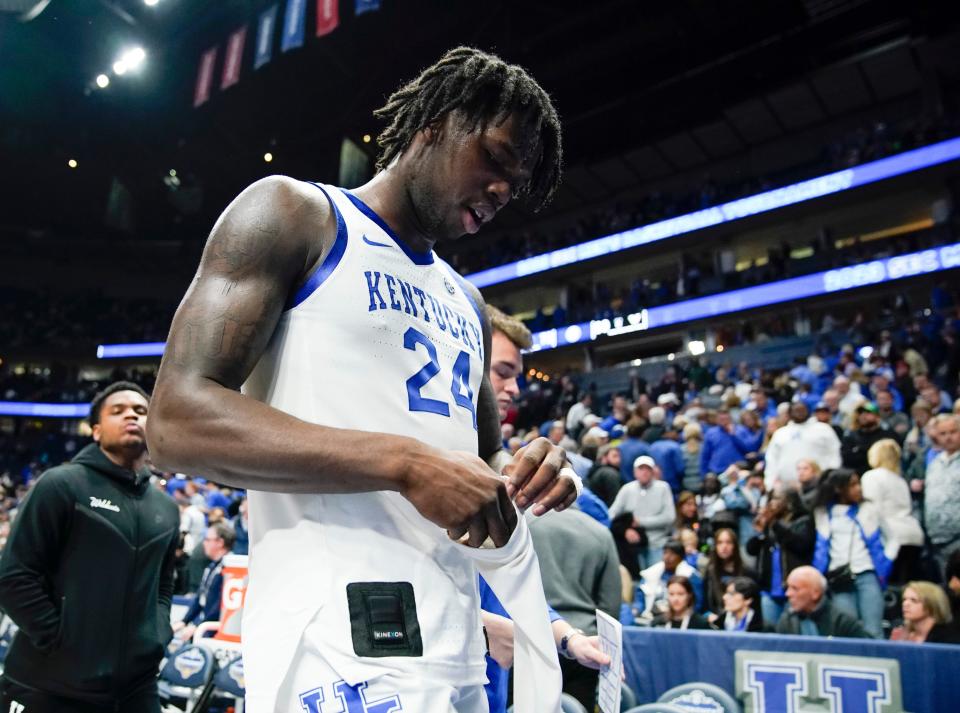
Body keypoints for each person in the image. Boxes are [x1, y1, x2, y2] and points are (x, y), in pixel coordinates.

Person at [147, 47, 575, 713]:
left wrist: (529, 469)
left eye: (516, 184)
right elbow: (174, 420)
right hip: (329, 649)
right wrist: (402, 461)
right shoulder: (296, 215)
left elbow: (482, 460)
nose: (502, 190)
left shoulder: (466, 300)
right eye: (495, 158)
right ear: (436, 120)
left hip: (452, 647)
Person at [0, 382, 180, 713]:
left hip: (135, 688)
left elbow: (164, 585)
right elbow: (14, 574)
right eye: (118, 410)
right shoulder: (61, 484)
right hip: (49, 683)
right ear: (96, 431)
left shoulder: (166, 509)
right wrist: (61, 640)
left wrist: (157, 634)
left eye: (141, 411)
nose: (131, 415)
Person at [481, 305, 611, 712]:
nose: (515, 388)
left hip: (489, 695)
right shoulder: (422, 460)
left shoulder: (492, 464)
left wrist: (570, 639)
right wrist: (477, 629)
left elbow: (504, 590)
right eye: (503, 372)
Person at [811, 468, 897, 639]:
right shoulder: (822, 512)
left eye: (859, 484)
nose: (858, 489)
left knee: (873, 629)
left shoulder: (869, 509)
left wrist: (886, 561)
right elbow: (821, 547)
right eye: (852, 485)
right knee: (847, 630)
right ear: (838, 488)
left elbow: (893, 537)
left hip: (867, 573)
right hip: (839, 576)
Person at [746, 488, 815, 625]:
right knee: (770, 634)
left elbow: (801, 545)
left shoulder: (803, 520)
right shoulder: (770, 523)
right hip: (769, 590)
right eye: (771, 499)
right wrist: (760, 533)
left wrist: (775, 524)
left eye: (778, 498)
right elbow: (751, 550)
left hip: (794, 591)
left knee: (794, 633)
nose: (772, 503)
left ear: (791, 501)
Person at [861, 439, 924, 582]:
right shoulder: (900, 480)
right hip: (913, 536)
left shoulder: (872, 476)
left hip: (891, 538)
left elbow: (871, 510)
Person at [609, 455, 676, 570]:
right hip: (633, 546)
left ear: (653, 471)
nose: (644, 472)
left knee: (656, 580)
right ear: (635, 472)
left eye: (648, 469)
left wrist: (640, 522)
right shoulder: (627, 489)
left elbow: (670, 517)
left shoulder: (663, 488)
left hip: (657, 543)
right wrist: (625, 530)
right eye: (641, 469)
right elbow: (612, 515)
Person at [173, 522, 236, 642]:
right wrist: (184, 621)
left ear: (220, 543)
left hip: (217, 633)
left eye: (207, 539)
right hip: (205, 627)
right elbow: (200, 598)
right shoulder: (211, 567)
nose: (204, 543)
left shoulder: (230, 569)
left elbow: (220, 607)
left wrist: (197, 626)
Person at [775, 566, 871, 638]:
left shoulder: (843, 622)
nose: (788, 594)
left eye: (795, 588)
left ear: (815, 593)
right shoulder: (786, 622)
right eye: (788, 588)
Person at [764, 402, 841, 489]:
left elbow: (834, 453)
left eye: (802, 410)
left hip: (820, 485)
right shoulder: (781, 433)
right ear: (790, 413)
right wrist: (770, 482)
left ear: (808, 411)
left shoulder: (823, 429)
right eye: (796, 410)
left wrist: (831, 476)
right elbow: (772, 459)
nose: (799, 413)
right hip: (787, 486)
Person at [923, 414, 960, 575]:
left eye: (953, 432)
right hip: (937, 540)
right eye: (943, 434)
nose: (948, 437)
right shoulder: (934, 463)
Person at [639, 541, 702, 620]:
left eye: (672, 554)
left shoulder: (691, 576)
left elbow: (697, 604)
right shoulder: (651, 573)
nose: (667, 557)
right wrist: (637, 609)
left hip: (682, 618)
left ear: (681, 557)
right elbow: (640, 597)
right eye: (665, 553)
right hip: (651, 617)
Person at [704, 527, 754, 617]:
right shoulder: (710, 571)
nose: (724, 546)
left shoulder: (747, 572)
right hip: (715, 619)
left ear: (735, 546)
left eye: (728, 542)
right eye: (720, 543)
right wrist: (708, 615)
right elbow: (706, 602)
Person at [890, 581, 960, 643]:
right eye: (904, 599)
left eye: (914, 600)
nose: (905, 604)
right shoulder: (903, 634)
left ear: (931, 604)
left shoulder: (948, 638)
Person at [841, 402, 899, 474]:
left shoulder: (887, 435)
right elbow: (847, 459)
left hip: (882, 474)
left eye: (868, 413)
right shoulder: (851, 436)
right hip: (857, 476)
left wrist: (860, 451)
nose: (863, 416)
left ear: (877, 416)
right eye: (861, 413)